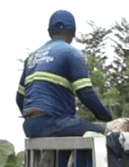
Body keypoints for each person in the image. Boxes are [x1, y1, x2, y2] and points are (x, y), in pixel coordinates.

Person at [17, 10, 113, 138]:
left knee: (77, 126)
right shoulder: (72, 53)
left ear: (49, 31)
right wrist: (108, 119)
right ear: (73, 33)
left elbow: (19, 98)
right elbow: (86, 94)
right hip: (55, 123)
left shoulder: (31, 58)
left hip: (30, 127)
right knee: (107, 133)